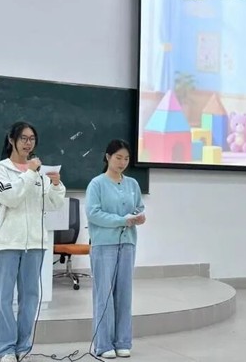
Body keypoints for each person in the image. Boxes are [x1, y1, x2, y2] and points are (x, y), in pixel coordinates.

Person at [0, 121, 66, 362]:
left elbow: (54, 203)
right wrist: (31, 173)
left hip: (35, 243)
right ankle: (5, 348)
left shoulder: (39, 172)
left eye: (32, 138)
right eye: (23, 138)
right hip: (7, 242)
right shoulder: (0, 168)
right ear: (11, 140)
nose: (28, 143)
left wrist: (56, 184)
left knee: (30, 297)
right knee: (3, 297)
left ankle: (23, 346)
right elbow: (10, 197)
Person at [85, 139, 145, 359]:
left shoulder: (133, 184)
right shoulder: (97, 184)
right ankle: (103, 344)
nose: (122, 162)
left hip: (127, 243)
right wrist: (122, 220)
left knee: (124, 293)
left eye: (126, 159)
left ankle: (122, 341)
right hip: (103, 244)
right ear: (108, 157)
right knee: (104, 294)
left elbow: (139, 207)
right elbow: (93, 213)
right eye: (118, 157)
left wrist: (138, 217)